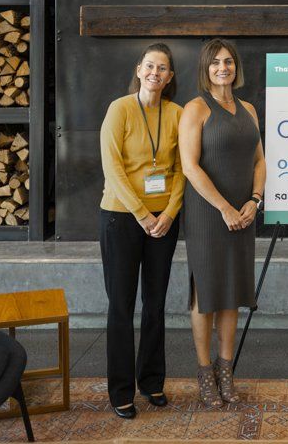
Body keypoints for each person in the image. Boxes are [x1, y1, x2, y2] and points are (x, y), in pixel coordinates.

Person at [99, 43, 185, 419]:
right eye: (149, 66)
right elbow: (112, 167)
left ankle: (151, 381)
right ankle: (120, 391)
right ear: (139, 70)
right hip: (121, 218)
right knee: (121, 305)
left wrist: (169, 212)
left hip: (164, 220)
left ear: (169, 77)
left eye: (162, 68)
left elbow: (182, 169)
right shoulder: (119, 109)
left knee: (155, 303)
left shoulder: (177, 114)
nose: (155, 73)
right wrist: (141, 214)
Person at [179, 38, 266, 407]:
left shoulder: (249, 109)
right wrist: (224, 208)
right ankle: (204, 373)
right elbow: (190, 167)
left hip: (244, 214)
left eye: (228, 61)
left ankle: (226, 371)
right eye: (215, 62)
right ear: (206, 68)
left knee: (232, 292)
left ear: (236, 67)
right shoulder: (195, 109)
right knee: (206, 294)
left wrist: (254, 200)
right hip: (207, 215)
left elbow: (260, 161)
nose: (222, 68)